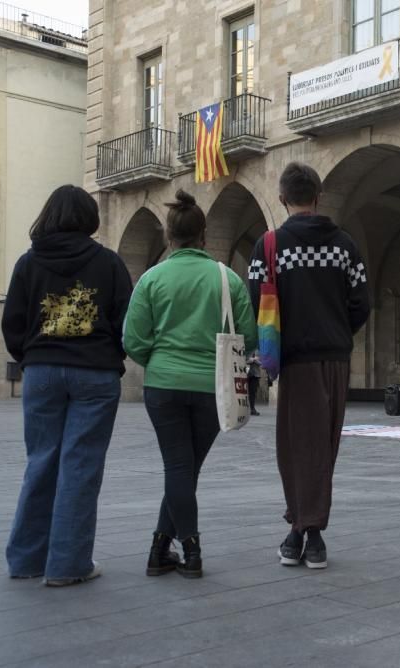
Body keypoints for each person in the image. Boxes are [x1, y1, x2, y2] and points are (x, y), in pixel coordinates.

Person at [1, 185, 132, 587]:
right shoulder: (108, 263)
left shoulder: (28, 263)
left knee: (41, 461)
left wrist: (31, 356)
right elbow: (125, 319)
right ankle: (68, 564)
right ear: (89, 218)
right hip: (94, 372)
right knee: (81, 466)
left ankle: (26, 560)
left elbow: (13, 322)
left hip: (41, 370)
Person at [125, 189, 257, 579]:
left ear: (169, 237)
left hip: (163, 386)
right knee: (186, 468)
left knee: (180, 468)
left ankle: (161, 549)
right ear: (204, 236)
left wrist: (159, 361)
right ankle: (188, 548)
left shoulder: (151, 279)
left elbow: (133, 340)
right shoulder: (226, 278)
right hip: (211, 388)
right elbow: (247, 334)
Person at [248, 162, 370, 570]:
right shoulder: (346, 246)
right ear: (318, 197)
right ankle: (308, 531)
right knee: (324, 445)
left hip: (295, 359)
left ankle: (304, 531)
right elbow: (361, 303)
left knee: (296, 446)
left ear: (282, 199)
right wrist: (336, 331)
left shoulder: (269, 245)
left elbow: (255, 301)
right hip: (335, 358)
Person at [247, 352, 262, 416]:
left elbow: (261, 363)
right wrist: (254, 359)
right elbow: (245, 361)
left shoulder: (258, 351)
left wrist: (252, 359)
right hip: (246, 374)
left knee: (253, 393)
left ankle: (252, 409)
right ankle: (246, 409)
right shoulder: (247, 349)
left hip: (255, 375)